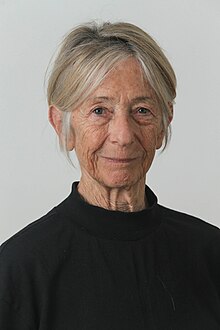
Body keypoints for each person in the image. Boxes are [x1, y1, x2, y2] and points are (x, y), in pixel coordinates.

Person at [0, 21, 219, 330]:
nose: (123, 135)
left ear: (164, 122)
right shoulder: (18, 270)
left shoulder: (210, 253)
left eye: (142, 110)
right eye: (100, 111)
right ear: (61, 125)